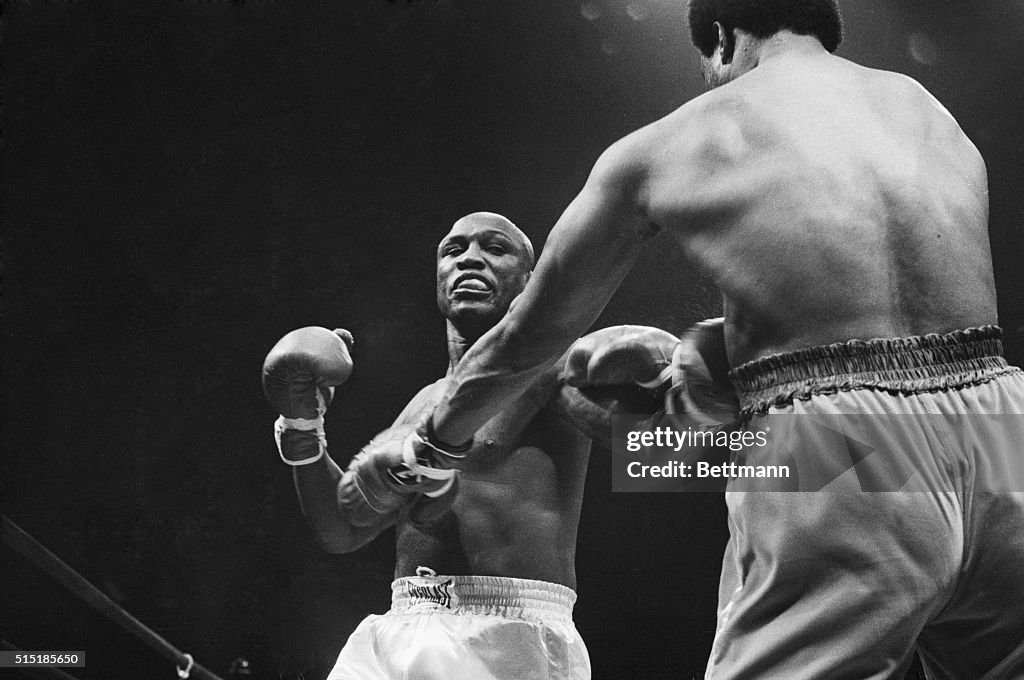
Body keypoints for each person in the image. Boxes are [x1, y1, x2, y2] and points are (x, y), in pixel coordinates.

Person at [406, 1, 1024, 678]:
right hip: (1004, 432)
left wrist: (432, 441)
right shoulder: (926, 109)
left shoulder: (673, 142)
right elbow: (892, 363)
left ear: (722, 40)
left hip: (844, 443)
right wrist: (694, 410)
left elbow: (528, 335)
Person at [262, 212, 665, 680]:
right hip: (398, 627)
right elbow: (341, 531)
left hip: (505, 637)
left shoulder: (553, 370)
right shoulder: (425, 402)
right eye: (454, 250)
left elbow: (674, 445)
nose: (470, 258)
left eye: (495, 248)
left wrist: (676, 384)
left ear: (529, 280)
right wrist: (301, 423)